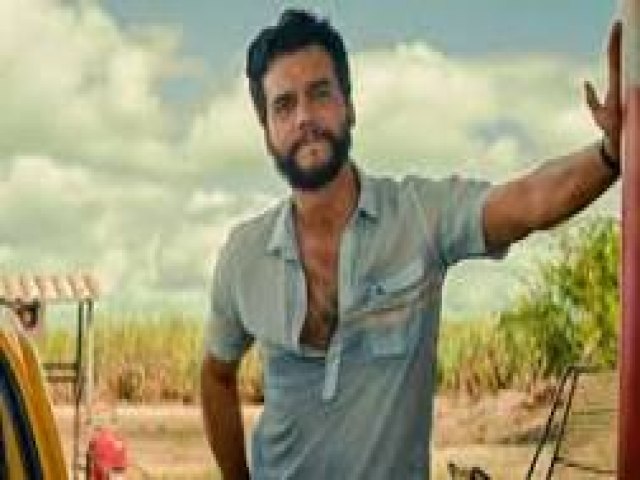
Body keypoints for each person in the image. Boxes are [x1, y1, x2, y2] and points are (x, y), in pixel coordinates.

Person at [200, 9, 622, 480]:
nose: (304, 117)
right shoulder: (244, 255)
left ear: (349, 106)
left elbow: (528, 201)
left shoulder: (419, 217)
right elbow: (216, 375)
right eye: (284, 105)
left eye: (320, 93)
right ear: (267, 133)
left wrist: (611, 153)